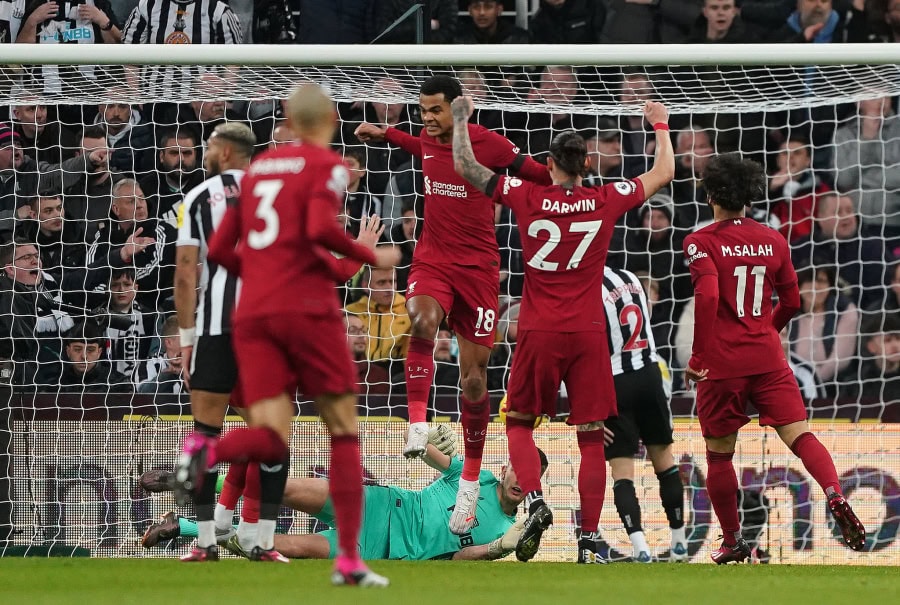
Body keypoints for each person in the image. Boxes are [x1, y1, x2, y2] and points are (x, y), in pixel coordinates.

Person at [183, 83, 398, 587]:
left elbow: (217, 251)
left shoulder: (255, 174)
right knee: (342, 431)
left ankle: (202, 461)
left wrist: (256, 272)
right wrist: (369, 254)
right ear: (328, 118)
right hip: (306, 314)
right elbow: (321, 230)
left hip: (249, 318)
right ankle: (347, 560)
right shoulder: (326, 167)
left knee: (270, 435)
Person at [451, 94, 675, 563]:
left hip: (538, 329)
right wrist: (659, 125)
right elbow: (662, 174)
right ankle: (589, 539)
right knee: (592, 435)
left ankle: (533, 502)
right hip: (590, 332)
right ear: (587, 163)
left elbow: (467, 167)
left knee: (517, 422)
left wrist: (459, 120)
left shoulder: (527, 194)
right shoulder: (604, 198)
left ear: (549, 163)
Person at [355, 74, 550, 536]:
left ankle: (468, 482)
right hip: (434, 258)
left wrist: (566, 184)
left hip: (479, 271)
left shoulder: (488, 144)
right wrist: (386, 134)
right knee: (421, 320)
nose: (427, 120)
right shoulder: (425, 137)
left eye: (435, 111)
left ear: (457, 108)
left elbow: (532, 172)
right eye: (422, 112)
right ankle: (417, 425)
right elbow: (414, 143)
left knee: (475, 380)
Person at [682, 153, 866, 564]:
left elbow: (709, 296)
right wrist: (768, 329)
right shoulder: (774, 239)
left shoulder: (699, 241)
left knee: (719, 453)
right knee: (800, 435)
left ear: (711, 194)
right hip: (768, 358)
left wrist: (699, 356)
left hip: (722, 364)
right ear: (750, 195)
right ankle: (834, 492)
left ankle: (732, 540)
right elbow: (793, 300)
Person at [143, 427, 547, 562]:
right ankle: (196, 480)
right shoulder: (475, 475)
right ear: (510, 465)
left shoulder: (507, 530)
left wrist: (497, 549)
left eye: (533, 477)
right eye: (522, 468)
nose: (521, 479)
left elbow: (458, 556)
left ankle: (183, 525)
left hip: (378, 548)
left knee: (278, 544)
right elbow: (428, 453)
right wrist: (426, 436)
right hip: (379, 503)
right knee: (280, 489)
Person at [172, 122, 256, 562]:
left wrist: (187, 340)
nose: (205, 153)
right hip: (267, 330)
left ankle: (206, 540)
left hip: (216, 328)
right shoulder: (275, 192)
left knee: (204, 433)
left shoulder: (200, 197)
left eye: (207, 147)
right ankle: (257, 538)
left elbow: (186, 273)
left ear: (224, 152)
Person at [601, 265, 686, 563]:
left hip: (614, 381)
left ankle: (641, 549)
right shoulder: (631, 278)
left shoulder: (586, 290)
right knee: (665, 462)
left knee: (622, 473)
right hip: (649, 372)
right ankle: (679, 543)